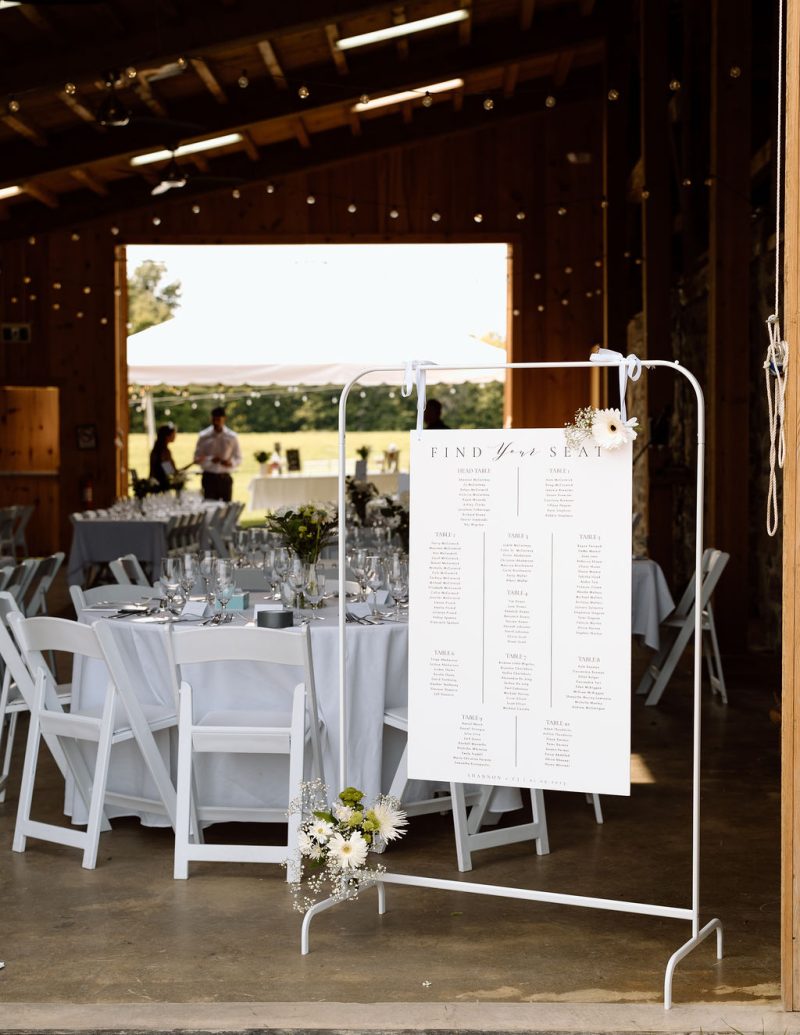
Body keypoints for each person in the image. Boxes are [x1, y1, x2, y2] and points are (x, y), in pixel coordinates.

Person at [193, 406, 242, 501]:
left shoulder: (232, 437)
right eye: (214, 419)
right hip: (209, 477)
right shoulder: (203, 436)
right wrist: (210, 459)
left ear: (224, 419)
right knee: (209, 507)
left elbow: (238, 458)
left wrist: (230, 463)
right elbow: (196, 459)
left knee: (226, 509)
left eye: (218, 420)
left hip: (225, 478)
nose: (216, 422)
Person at [148, 423, 177, 492]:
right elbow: (169, 471)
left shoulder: (157, 449)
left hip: (156, 484)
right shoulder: (163, 451)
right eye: (173, 434)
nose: (175, 436)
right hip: (161, 486)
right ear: (167, 436)